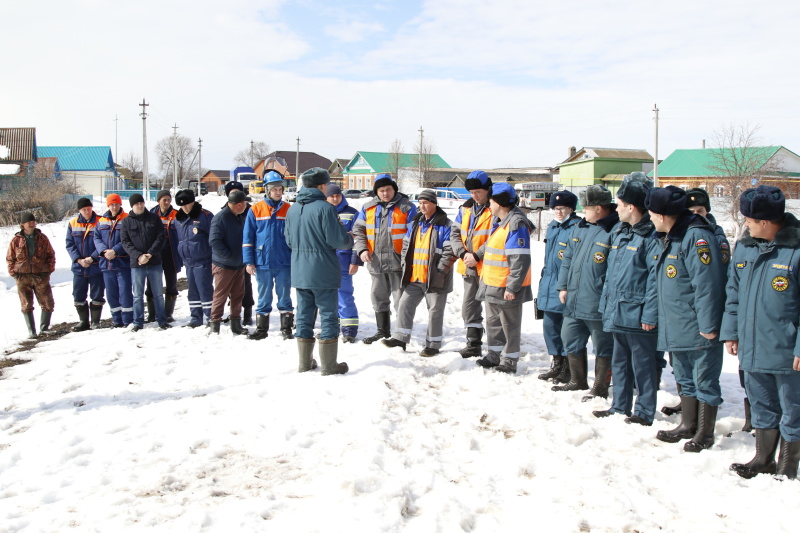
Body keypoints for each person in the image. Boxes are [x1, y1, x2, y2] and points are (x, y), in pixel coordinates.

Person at [722, 185, 800, 480]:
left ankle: (788, 465)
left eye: (750, 221)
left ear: (766, 223)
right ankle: (763, 458)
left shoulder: (796, 249)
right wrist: (732, 332)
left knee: (793, 408)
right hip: (753, 346)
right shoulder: (745, 245)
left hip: (786, 348)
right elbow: (734, 293)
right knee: (762, 404)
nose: (746, 225)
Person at [648, 186, 726, 453]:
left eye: (651, 213)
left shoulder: (696, 237)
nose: (649, 218)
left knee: (704, 380)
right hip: (677, 324)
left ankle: (705, 433)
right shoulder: (670, 236)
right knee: (684, 377)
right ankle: (688, 424)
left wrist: (708, 325)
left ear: (661, 214)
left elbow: (707, 285)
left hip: (697, 327)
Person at [592, 173, 659, 426]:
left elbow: (654, 281)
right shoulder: (620, 232)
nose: (615, 209)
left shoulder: (650, 236)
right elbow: (611, 274)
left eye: (619, 205)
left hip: (638, 314)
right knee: (619, 362)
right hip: (617, 310)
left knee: (642, 365)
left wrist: (650, 314)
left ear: (631, 207)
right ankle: (619, 405)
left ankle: (643, 411)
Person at [285, 168, 353, 375]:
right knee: (328, 315)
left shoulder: (293, 209)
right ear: (322, 186)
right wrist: (349, 238)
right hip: (323, 270)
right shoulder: (325, 208)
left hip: (299, 270)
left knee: (304, 316)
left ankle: (304, 363)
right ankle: (330, 365)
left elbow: (288, 240)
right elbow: (337, 240)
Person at [553, 185, 619, 398]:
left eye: (586, 208)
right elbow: (567, 260)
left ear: (599, 208)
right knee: (569, 336)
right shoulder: (580, 228)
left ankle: (600, 386)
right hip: (574, 296)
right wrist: (562, 286)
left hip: (596, 299)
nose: (583, 212)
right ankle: (577, 379)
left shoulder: (614, 230)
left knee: (602, 345)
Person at [382, 189, 456, 356]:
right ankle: (400, 338)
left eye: (425, 203)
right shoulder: (416, 223)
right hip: (415, 276)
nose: (422, 206)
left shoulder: (446, 225)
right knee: (404, 304)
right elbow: (406, 246)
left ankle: (433, 345)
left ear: (434, 204)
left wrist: (441, 270)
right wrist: (404, 263)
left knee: (435, 312)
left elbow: (450, 251)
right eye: (420, 203)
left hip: (436, 278)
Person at [474, 183, 533, 374]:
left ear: (499, 203)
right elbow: (492, 247)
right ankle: (494, 356)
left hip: (506, 287)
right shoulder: (500, 221)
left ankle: (509, 361)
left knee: (509, 325)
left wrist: (512, 287)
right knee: (493, 323)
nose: (488, 205)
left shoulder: (516, 224)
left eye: (490, 201)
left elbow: (520, 260)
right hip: (492, 284)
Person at [353, 173, 417, 344]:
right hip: (376, 262)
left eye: (388, 189)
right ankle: (382, 331)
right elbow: (358, 231)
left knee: (400, 301)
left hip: (399, 263)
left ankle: (400, 335)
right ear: (376, 192)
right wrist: (362, 250)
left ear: (394, 189)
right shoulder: (368, 208)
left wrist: (406, 257)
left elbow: (414, 235)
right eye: (381, 190)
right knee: (378, 297)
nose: (385, 193)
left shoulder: (407, 207)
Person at [536, 189, 581, 382]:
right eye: (555, 208)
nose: (558, 212)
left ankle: (568, 366)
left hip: (565, 284)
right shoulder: (553, 227)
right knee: (550, 326)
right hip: (549, 282)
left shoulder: (577, 227)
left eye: (562, 208)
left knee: (566, 329)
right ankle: (557, 361)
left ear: (571, 209)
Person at [243, 170, 294, 340]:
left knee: (284, 295)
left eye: (280, 189)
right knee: (263, 296)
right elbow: (248, 238)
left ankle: (286, 328)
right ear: (266, 190)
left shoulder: (289, 209)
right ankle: (261, 329)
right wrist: (249, 261)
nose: (278, 192)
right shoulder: (256, 210)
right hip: (262, 261)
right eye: (274, 189)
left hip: (284, 261)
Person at [451, 170, 494, 358]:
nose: (475, 196)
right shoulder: (465, 209)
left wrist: (477, 255)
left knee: (494, 310)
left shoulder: (496, 208)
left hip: (490, 267)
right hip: (468, 266)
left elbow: (497, 237)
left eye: (478, 192)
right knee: (469, 307)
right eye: (472, 192)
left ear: (487, 190)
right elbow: (454, 233)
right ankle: (473, 343)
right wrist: (462, 253)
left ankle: (497, 347)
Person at [120, 194, 169, 331]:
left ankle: (162, 320)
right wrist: (139, 256)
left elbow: (161, 238)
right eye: (137, 204)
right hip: (137, 264)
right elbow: (125, 242)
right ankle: (138, 322)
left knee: (158, 294)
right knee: (137, 295)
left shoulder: (154, 218)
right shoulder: (126, 222)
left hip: (154, 262)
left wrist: (150, 254)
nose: (140, 206)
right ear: (132, 206)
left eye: (141, 203)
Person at [6, 212, 55, 338]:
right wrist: (13, 272)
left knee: (47, 302)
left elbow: (51, 255)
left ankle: (44, 328)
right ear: (23, 225)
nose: (32, 224)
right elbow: (10, 258)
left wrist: (48, 270)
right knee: (26, 304)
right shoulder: (16, 240)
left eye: (33, 222)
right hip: (23, 277)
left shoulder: (42, 238)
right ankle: (31, 332)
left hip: (40, 276)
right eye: (29, 222)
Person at [326, 183, 363, 343]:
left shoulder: (352, 213)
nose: (335, 198)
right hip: (325, 263)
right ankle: (331, 328)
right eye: (331, 196)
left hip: (343, 263)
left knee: (345, 296)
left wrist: (355, 261)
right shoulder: (322, 212)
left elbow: (359, 239)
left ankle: (349, 330)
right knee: (327, 298)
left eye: (337, 195)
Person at [209, 190, 249, 335]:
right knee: (221, 295)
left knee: (238, 294)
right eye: (244, 202)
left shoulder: (239, 217)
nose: (246, 205)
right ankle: (215, 324)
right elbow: (214, 240)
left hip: (238, 264)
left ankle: (236, 323)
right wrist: (228, 256)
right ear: (238, 204)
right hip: (224, 266)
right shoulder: (221, 218)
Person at [174, 189, 214, 328]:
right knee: (193, 291)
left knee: (205, 290)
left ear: (193, 202)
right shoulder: (178, 219)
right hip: (188, 262)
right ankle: (196, 317)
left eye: (187, 204)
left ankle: (211, 317)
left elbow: (214, 239)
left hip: (203, 260)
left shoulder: (205, 216)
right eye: (181, 206)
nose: (185, 208)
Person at [66, 197, 105, 332]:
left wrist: (92, 258)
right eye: (84, 210)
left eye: (88, 209)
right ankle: (83, 321)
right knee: (78, 294)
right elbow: (69, 244)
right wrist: (78, 260)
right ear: (79, 211)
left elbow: (104, 242)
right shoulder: (72, 223)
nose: (87, 212)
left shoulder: (101, 221)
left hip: (96, 266)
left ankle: (95, 321)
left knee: (97, 294)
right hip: (79, 267)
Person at [94, 193, 132, 328]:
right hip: (107, 263)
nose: (114, 207)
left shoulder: (127, 218)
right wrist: (104, 251)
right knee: (111, 293)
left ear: (120, 204)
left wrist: (115, 251)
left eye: (116, 204)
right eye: (112, 204)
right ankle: (117, 320)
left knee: (125, 292)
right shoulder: (102, 220)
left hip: (123, 263)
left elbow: (128, 238)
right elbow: (96, 238)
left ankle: (128, 320)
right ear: (108, 205)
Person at [146, 190, 182, 323]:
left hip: (171, 254)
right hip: (155, 254)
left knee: (171, 284)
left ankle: (168, 313)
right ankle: (152, 314)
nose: (166, 202)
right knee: (151, 285)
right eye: (164, 200)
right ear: (158, 201)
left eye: (168, 199)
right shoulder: (150, 214)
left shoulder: (177, 214)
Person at [225, 180, 255, 325]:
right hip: (230, 255)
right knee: (231, 286)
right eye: (231, 193)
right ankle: (234, 313)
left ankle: (248, 313)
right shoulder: (225, 211)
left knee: (246, 285)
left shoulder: (250, 210)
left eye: (237, 192)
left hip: (245, 253)